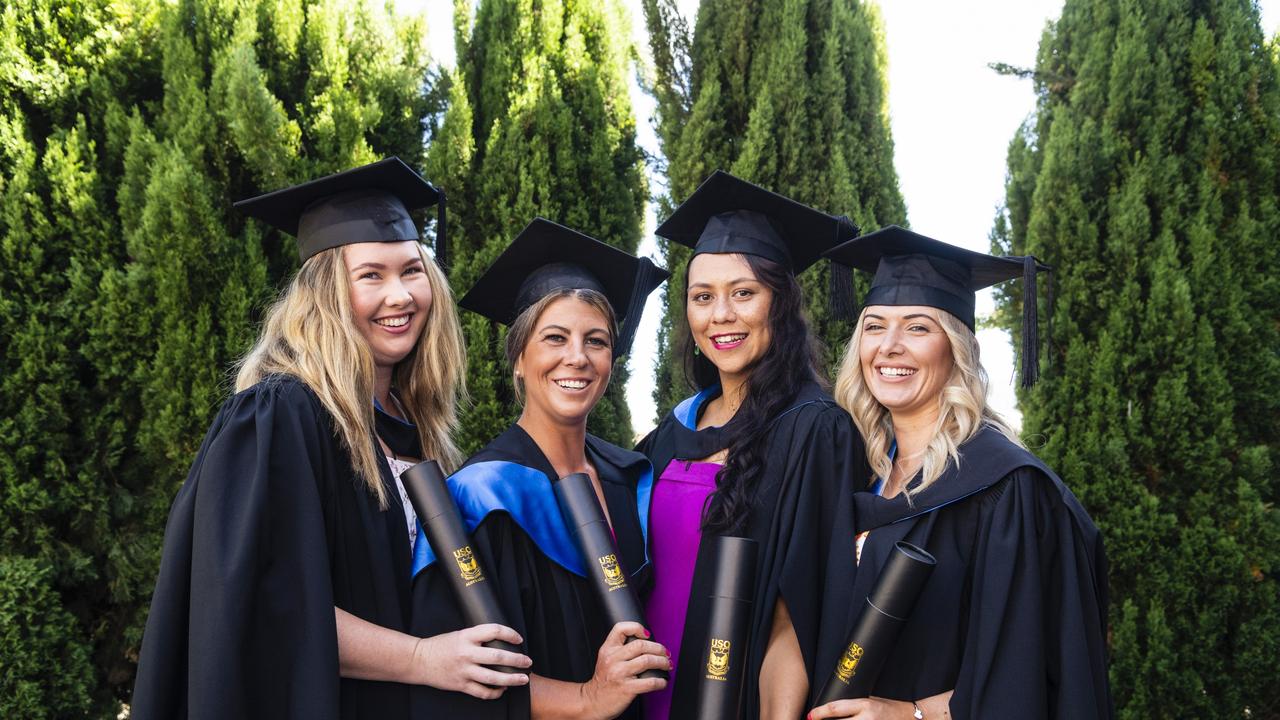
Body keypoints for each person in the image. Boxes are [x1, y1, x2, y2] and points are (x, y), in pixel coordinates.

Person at [131, 158, 531, 720]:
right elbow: (268, 603)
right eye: (371, 275)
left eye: (411, 270)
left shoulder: (408, 428)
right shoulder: (281, 415)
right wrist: (422, 658)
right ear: (325, 292)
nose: (400, 295)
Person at [808, 225, 1113, 720]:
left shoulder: (1005, 488)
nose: (889, 346)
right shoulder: (855, 474)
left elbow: (1032, 670)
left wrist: (910, 715)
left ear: (956, 348)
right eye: (875, 325)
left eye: (918, 327)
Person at [409, 218, 672, 720]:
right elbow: (460, 676)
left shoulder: (630, 478)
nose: (577, 357)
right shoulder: (480, 497)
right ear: (519, 359)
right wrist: (589, 698)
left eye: (596, 341)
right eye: (555, 337)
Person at [636, 171, 867, 720]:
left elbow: (799, 616)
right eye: (702, 297)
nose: (721, 315)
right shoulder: (665, 438)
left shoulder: (816, 432)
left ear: (779, 303)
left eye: (743, 293)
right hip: (643, 700)